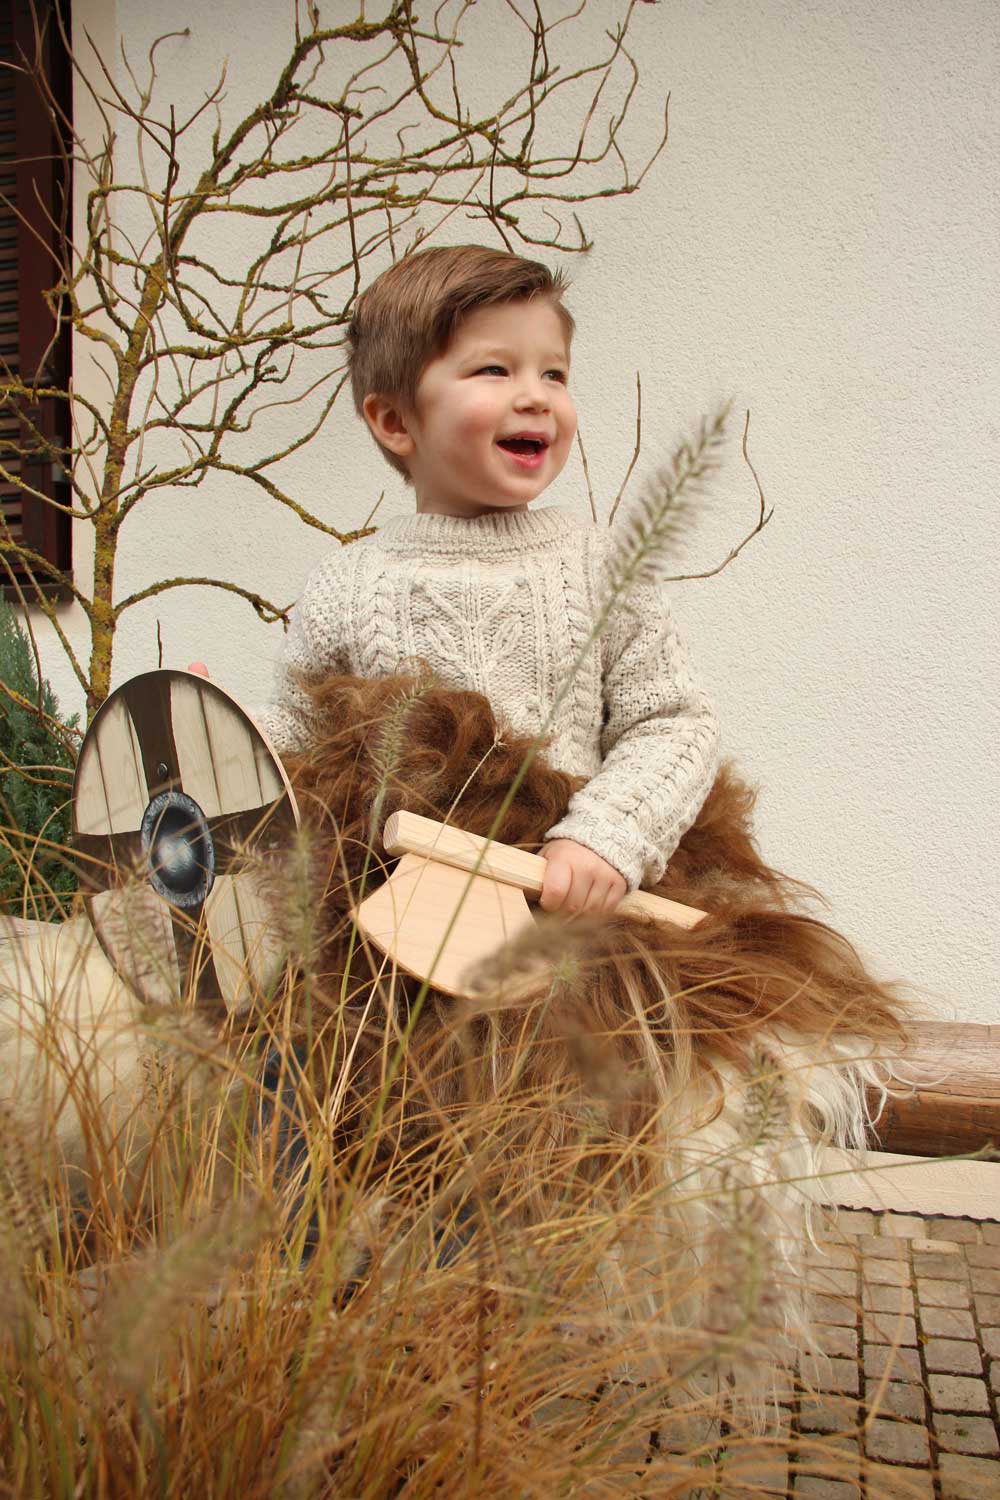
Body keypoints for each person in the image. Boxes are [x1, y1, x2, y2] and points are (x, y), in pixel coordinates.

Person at [257, 244, 720, 918]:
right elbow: (304, 744)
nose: (535, 396)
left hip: (565, 913)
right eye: (494, 369)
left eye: (554, 373)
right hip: (396, 920)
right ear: (394, 421)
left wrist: (606, 837)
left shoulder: (603, 569)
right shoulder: (346, 585)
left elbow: (674, 721)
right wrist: (224, 733)